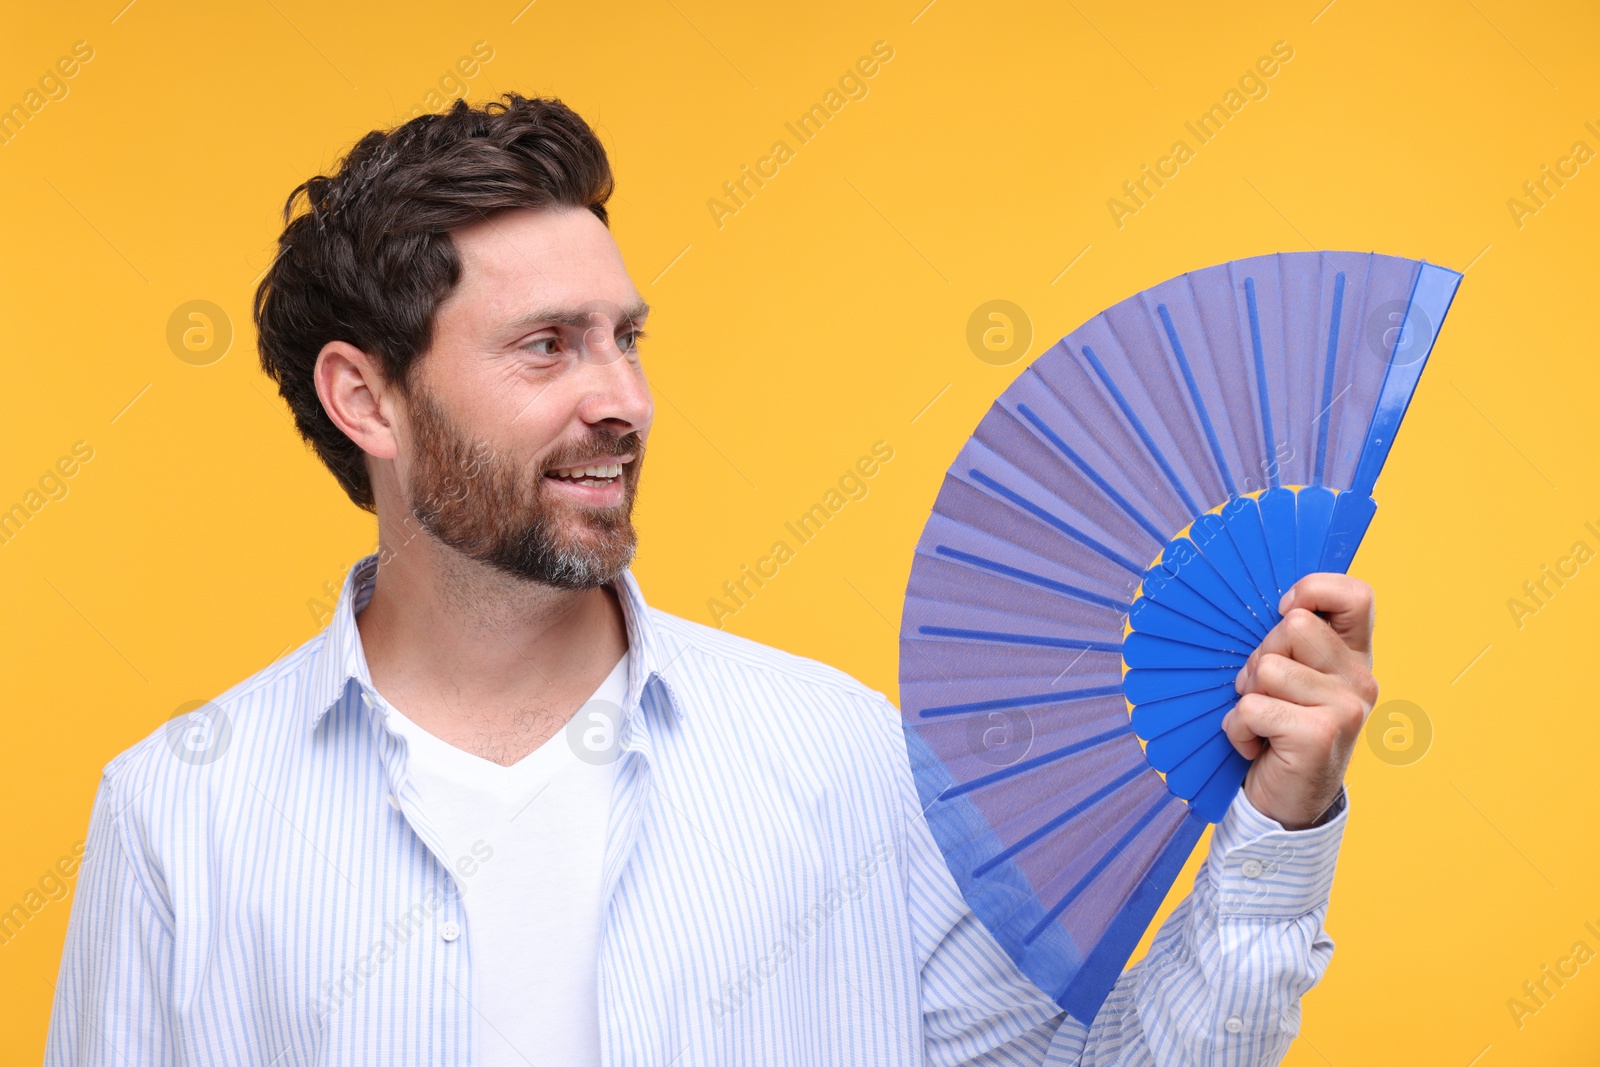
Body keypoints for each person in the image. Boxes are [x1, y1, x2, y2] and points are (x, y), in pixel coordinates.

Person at [45, 93, 1377, 1066]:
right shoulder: (181, 815)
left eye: (626, 339)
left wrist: (1278, 823)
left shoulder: (838, 758)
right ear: (367, 398)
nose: (623, 401)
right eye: (547, 347)